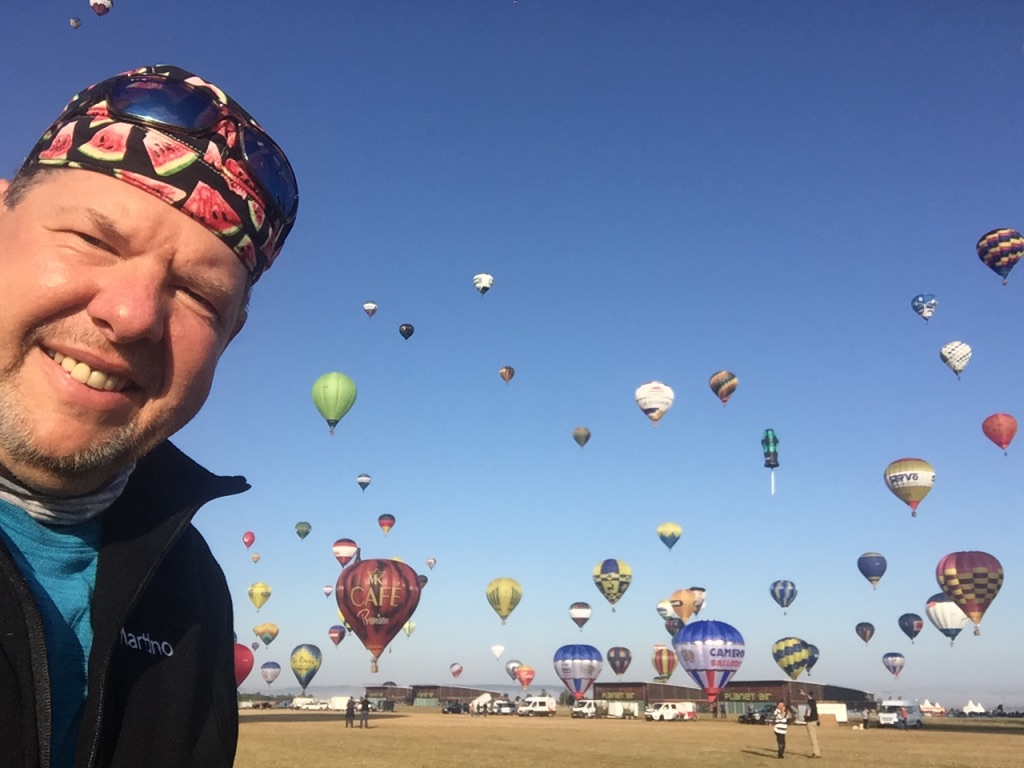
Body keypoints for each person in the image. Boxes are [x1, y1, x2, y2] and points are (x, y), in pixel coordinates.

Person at [0, 64, 298, 768]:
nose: (132, 315)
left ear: (230, 338)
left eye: (197, 294)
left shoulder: (191, 591)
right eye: (94, 240)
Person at [802, 691, 822, 758]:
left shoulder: (808, 703)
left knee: (812, 738)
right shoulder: (814, 701)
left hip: (810, 721)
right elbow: (808, 696)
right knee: (814, 737)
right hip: (815, 721)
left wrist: (805, 716)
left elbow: (808, 712)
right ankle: (817, 752)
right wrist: (804, 694)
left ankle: (815, 753)